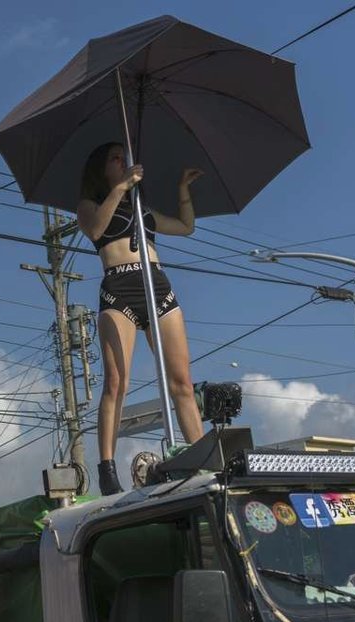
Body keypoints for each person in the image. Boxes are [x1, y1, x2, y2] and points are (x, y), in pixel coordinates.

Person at [76, 142, 205, 495]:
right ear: (102, 169)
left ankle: (202, 458)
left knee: (182, 382)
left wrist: (182, 190)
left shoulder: (141, 207)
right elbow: (97, 231)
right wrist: (120, 187)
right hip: (120, 287)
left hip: (158, 285)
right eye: (116, 158)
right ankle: (106, 467)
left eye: (126, 156)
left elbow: (185, 226)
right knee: (117, 382)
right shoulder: (89, 205)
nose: (124, 161)